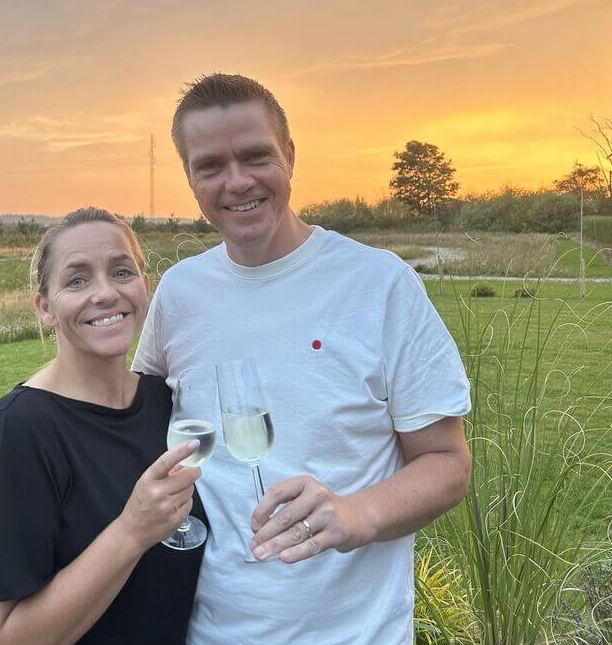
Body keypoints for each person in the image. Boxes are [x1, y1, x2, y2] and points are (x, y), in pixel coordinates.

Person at [132, 74, 473, 644]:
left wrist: (355, 514)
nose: (237, 181)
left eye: (255, 156)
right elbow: (133, 419)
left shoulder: (379, 284)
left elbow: (447, 463)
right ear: (189, 178)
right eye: (210, 165)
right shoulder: (179, 293)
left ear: (289, 155)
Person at [0, 207, 207, 645]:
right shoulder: (16, 432)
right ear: (45, 308)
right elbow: (3, 639)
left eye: (121, 272)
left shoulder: (164, 402)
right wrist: (131, 531)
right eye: (77, 280)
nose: (106, 293)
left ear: (145, 285)